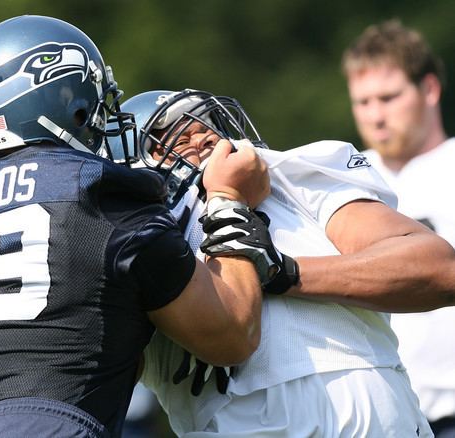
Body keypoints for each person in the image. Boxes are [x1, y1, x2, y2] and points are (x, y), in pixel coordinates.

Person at [0, 16, 280, 438]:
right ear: (72, 102)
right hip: (44, 426)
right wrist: (229, 198)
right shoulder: (102, 195)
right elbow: (232, 335)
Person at [112, 88, 455, 437]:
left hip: (376, 413)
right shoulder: (132, 237)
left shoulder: (289, 176)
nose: (203, 139)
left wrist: (283, 271)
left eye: (205, 127)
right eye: (175, 139)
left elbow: (438, 270)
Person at [342, 19, 455, 436]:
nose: (376, 115)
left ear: (429, 90)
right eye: (363, 101)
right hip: (376, 416)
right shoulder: (343, 177)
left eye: (388, 97)